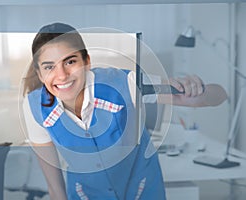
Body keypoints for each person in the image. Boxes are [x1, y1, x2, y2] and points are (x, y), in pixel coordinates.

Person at [22, 22, 227, 200]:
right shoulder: (35, 109)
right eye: (49, 67)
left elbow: (216, 96)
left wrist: (197, 89)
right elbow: (55, 187)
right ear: (40, 74)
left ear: (87, 62)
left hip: (141, 190)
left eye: (70, 61)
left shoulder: (125, 84)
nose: (62, 75)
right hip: (86, 194)